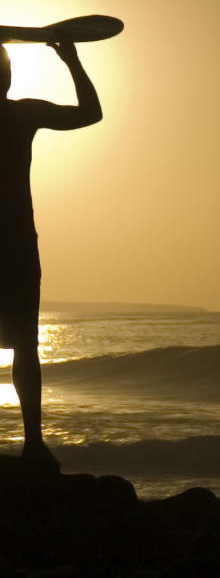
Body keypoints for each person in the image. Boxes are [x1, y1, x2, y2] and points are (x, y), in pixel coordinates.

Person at [0, 34, 102, 469]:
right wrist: (71, 61)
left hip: (18, 239)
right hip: (18, 239)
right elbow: (90, 112)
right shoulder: (23, 113)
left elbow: (91, 115)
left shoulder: (23, 113)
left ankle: (35, 444)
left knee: (24, 342)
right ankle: (34, 443)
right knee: (24, 343)